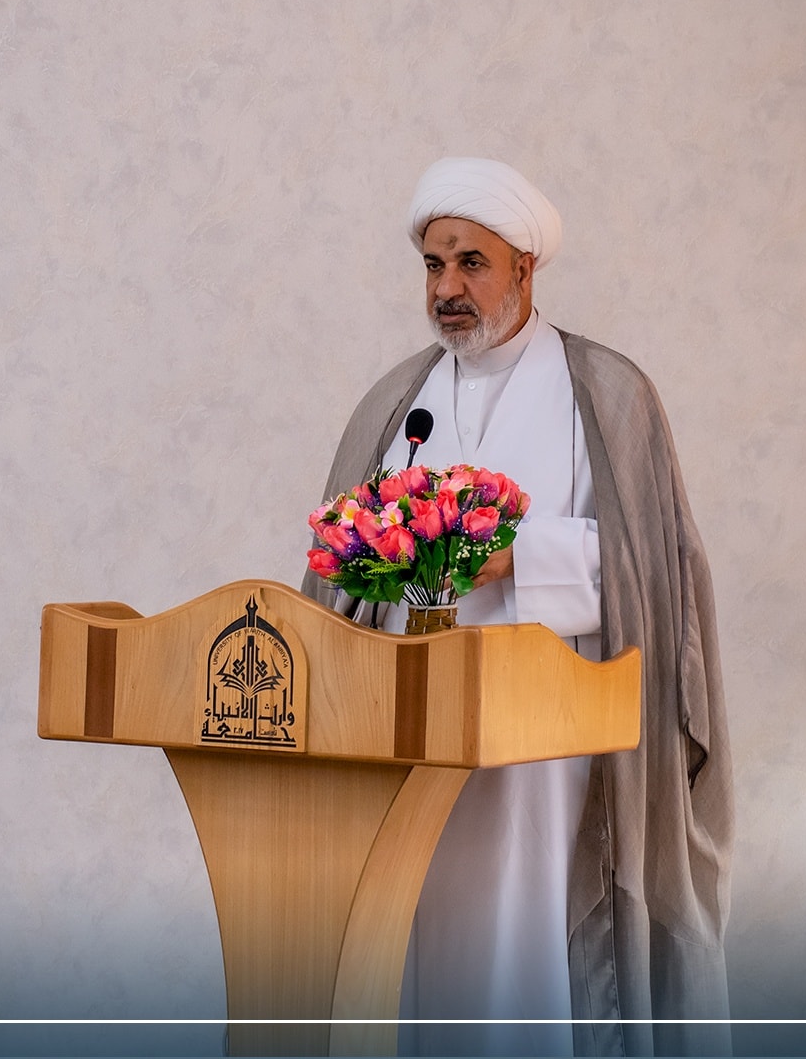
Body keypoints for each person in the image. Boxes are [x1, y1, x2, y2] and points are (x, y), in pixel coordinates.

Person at [300, 157, 733, 1057]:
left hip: (548, 754)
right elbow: (339, 573)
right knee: (420, 951)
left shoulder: (605, 394)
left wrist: (514, 557)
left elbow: (654, 572)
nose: (447, 289)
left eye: (471, 263)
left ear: (525, 268)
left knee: (522, 958)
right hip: (412, 741)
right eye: (434, 265)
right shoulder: (398, 404)